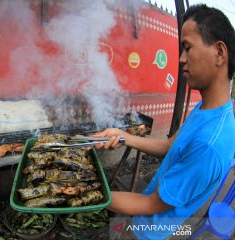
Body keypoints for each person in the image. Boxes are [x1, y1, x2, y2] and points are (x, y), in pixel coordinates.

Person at [93, 4, 235, 239]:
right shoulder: (208, 108)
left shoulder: (209, 143)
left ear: (220, 53)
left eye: (187, 48)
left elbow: (151, 205)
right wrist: (122, 135)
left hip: (149, 232)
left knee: (115, 232)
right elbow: (170, 146)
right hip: (151, 209)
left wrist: (90, 195)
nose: (181, 59)